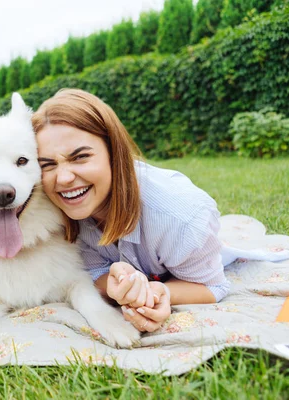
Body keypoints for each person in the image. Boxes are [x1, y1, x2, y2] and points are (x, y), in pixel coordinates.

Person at [32, 89, 230, 333]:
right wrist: (114, 287)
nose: (63, 178)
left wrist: (160, 292)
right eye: (47, 165)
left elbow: (213, 286)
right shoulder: (55, 210)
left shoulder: (182, 218)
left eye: (81, 157)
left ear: (114, 152)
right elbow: (93, 270)